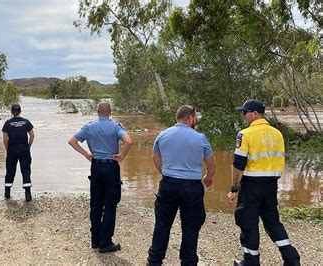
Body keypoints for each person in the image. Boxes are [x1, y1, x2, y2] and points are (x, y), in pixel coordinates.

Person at [228, 99, 300, 266]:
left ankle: (251, 262)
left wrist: (234, 189)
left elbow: (238, 165)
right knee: (273, 222)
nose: (244, 116)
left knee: (248, 222)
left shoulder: (245, 134)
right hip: (271, 186)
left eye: (245, 113)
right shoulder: (277, 133)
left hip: (252, 186)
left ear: (255, 113)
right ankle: (292, 259)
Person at [147, 105, 216, 266]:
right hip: (192, 187)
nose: (196, 120)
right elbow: (211, 162)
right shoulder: (200, 138)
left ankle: (154, 261)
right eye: (195, 117)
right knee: (191, 227)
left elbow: (155, 157)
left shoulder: (163, 135)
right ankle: (188, 262)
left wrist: (164, 172)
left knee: (162, 224)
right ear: (190, 118)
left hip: (169, 184)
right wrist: (209, 177)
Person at [68, 101, 132, 253]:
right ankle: (105, 243)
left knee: (96, 204)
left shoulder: (89, 126)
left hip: (96, 166)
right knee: (110, 205)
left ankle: (95, 240)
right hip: (111, 166)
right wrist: (122, 155)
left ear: (97, 111)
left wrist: (86, 154)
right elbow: (129, 141)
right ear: (110, 111)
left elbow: (72, 141)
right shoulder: (116, 126)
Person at [2, 103, 35, 202]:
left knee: (10, 170)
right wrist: (28, 146)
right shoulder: (26, 122)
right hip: (24, 148)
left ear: (12, 112)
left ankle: (7, 193)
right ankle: (28, 195)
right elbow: (32, 135)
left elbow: (4, 138)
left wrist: (8, 149)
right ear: (20, 111)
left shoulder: (7, 123)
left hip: (12, 149)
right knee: (25, 170)